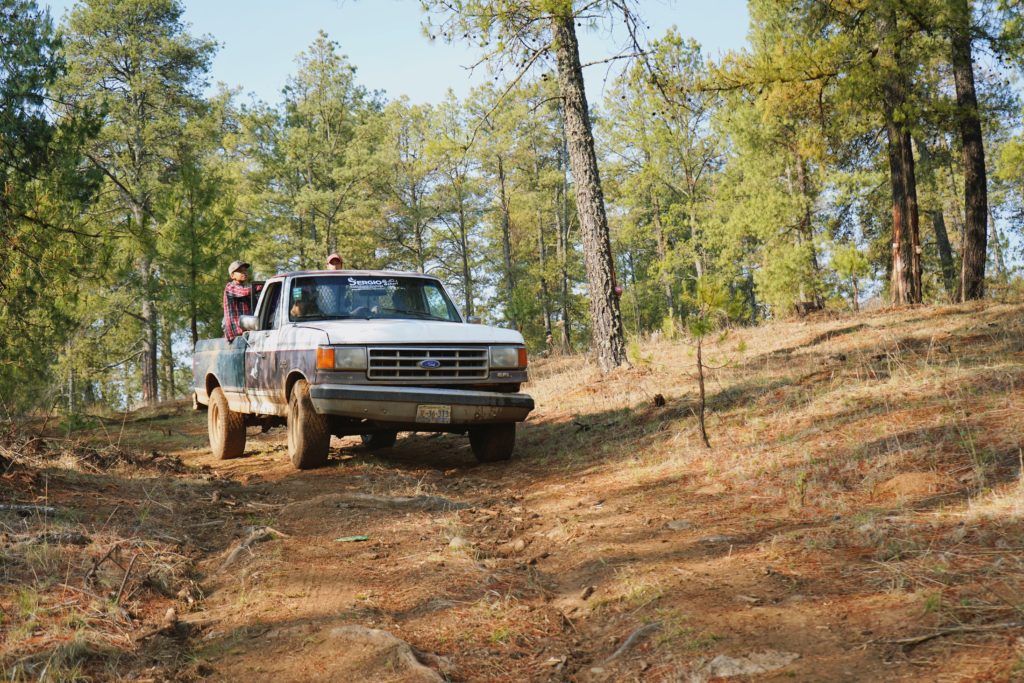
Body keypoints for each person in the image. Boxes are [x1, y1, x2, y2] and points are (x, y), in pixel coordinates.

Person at [223, 260, 252, 342]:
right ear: (232, 275)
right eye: (240, 271)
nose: (244, 273)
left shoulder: (247, 287)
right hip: (236, 336)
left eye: (245, 270)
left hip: (247, 333)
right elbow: (245, 292)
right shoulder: (230, 287)